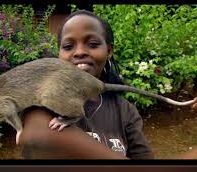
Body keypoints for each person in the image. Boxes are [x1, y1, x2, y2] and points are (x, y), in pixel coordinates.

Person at [18, 10, 153, 159]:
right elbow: (39, 136)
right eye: (68, 47)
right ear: (59, 55)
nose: (79, 52)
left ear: (109, 51)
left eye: (93, 44)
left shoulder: (125, 111)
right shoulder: (41, 99)